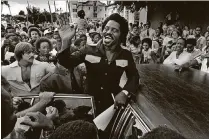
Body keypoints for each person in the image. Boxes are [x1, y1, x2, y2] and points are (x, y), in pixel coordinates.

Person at [57, 13, 139, 115]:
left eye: (114, 30)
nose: (108, 32)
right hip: (89, 106)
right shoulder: (88, 50)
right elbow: (66, 63)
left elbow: (134, 76)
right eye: (106, 28)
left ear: (121, 35)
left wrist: (124, 92)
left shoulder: (125, 55)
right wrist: (65, 41)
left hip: (111, 106)